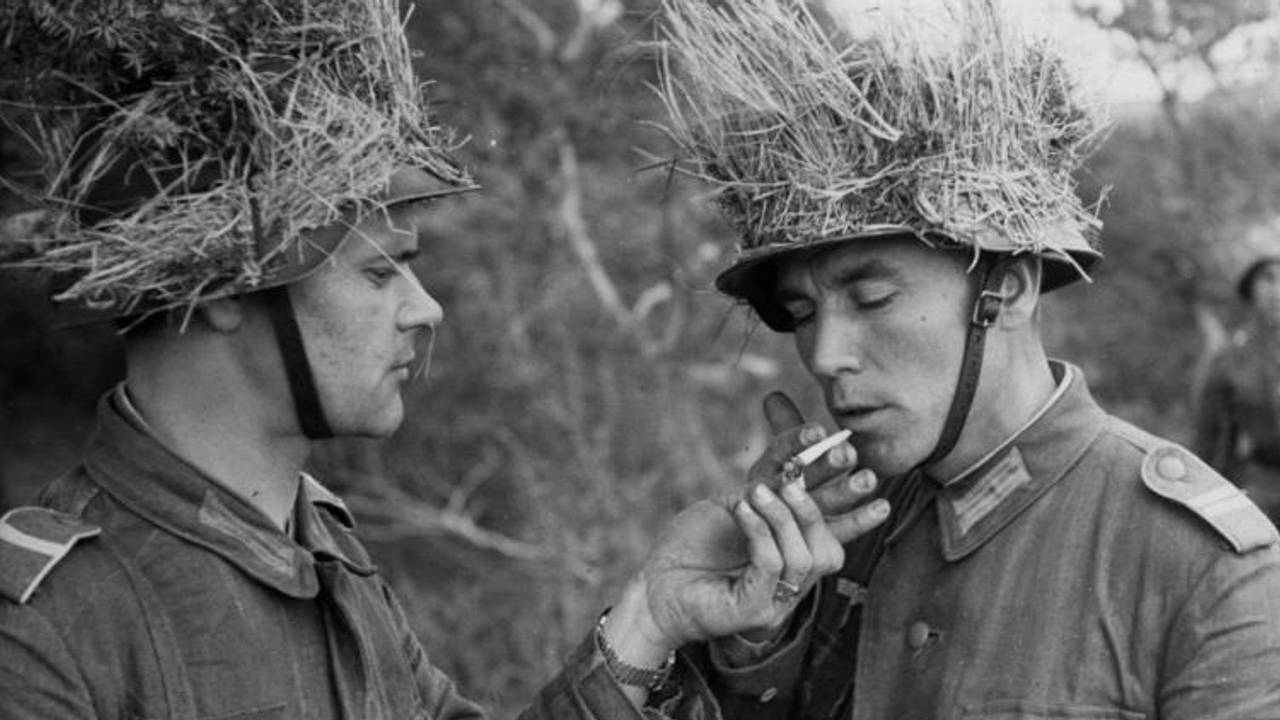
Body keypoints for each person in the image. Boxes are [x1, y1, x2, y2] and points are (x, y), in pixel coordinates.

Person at [0, 1, 889, 718]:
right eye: (379, 270)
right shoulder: (48, 628)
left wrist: (652, 615)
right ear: (226, 281)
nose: (424, 309)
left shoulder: (322, 553)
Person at [654, 0, 1280, 718]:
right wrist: (759, 632)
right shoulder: (825, 542)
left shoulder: (1197, 567)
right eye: (800, 313)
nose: (825, 355)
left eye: (872, 298)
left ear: (1006, 291)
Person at [1195, 254, 1280, 524]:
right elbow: (1211, 436)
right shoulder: (1231, 356)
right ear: (1251, 289)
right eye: (1268, 279)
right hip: (1261, 480)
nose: (1277, 289)